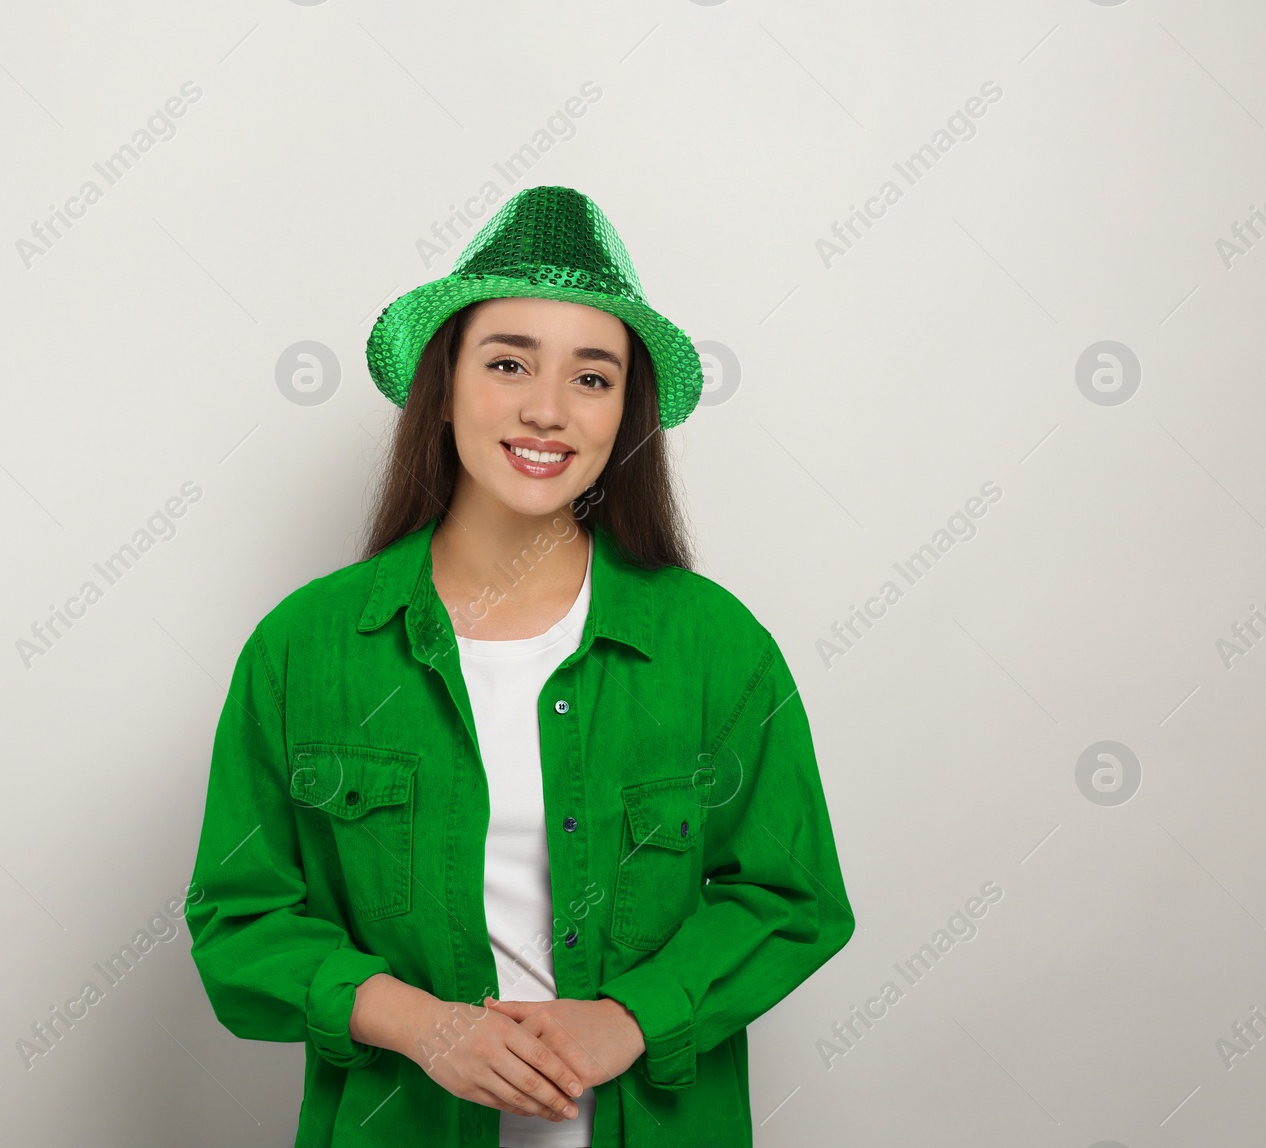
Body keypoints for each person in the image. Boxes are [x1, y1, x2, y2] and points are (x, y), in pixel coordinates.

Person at [186, 185, 855, 1147]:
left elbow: (793, 902)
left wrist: (630, 1018)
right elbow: (238, 919)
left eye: (593, 378)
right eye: (508, 364)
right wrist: (423, 1025)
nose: (547, 411)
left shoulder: (714, 647)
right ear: (446, 382)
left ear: (625, 412)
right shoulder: (306, 648)